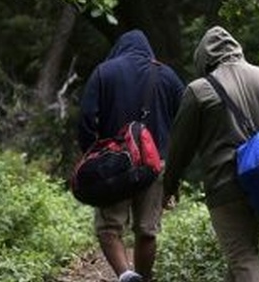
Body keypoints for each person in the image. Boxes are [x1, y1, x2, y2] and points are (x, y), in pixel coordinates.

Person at [162, 25, 259, 282]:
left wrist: (169, 185)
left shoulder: (199, 90)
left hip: (227, 188)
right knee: (244, 254)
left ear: (203, 59)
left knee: (242, 257)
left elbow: (180, 147)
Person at [78, 29, 185, 282]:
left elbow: (85, 118)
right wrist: (175, 167)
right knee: (147, 231)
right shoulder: (167, 75)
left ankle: (125, 275)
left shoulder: (105, 71)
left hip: (113, 165)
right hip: (155, 163)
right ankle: (143, 279)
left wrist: (91, 155)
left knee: (108, 228)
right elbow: (184, 121)